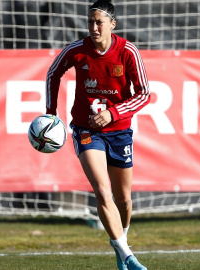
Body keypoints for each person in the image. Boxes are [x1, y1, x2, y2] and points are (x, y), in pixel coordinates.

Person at [45, 0, 150, 269]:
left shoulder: (128, 52)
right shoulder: (77, 50)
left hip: (119, 132)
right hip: (86, 130)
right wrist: (51, 113)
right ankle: (128, 255)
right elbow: (53, 73)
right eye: (90, 21)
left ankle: (120, 243)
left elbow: (144, 94)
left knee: (124, 200)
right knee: (102, 192)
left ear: (112, 24)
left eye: (99, 22)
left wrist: (113, 114)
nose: (93, 27)